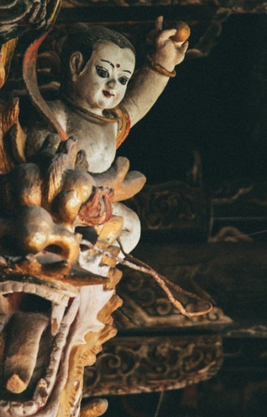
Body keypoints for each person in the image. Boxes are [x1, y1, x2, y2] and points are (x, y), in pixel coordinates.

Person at [25, 17, 189, 256]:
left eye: (123, 79)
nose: (113, 85)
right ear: (76, 65)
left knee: (132, 225)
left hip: (99, 201)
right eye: (103, 72)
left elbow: (139, 101)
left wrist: (163, 61)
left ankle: (95, 264)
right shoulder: (57, 114)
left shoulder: (111, 121)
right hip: (61, 203)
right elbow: (41, 165)